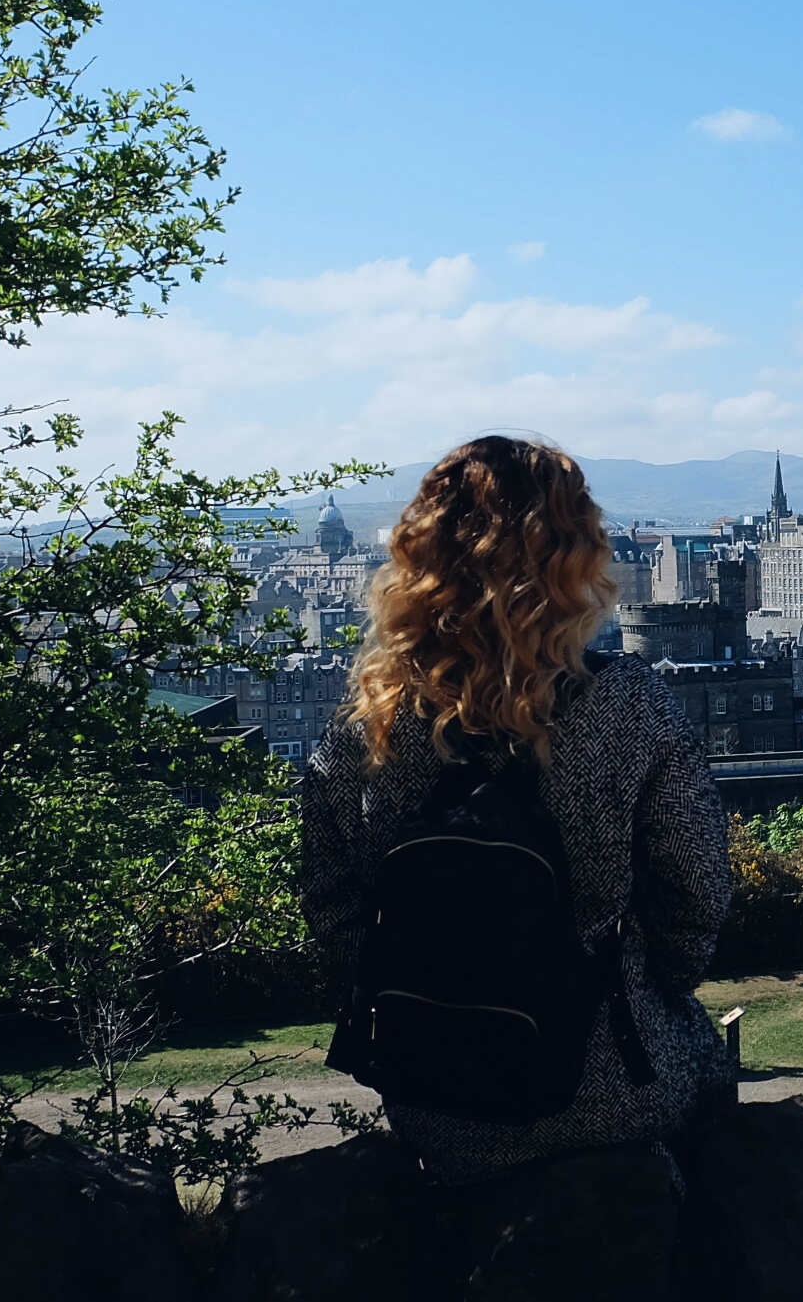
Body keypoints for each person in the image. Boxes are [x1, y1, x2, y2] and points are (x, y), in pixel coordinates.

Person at [300, 435, 734, 1181]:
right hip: (609, 1086)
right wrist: (645, 993)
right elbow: (697, 893)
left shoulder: (369, 718)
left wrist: (414, 1002)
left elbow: (330, 905)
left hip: (434, 1097)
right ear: (570, 563)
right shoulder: (625, 703)